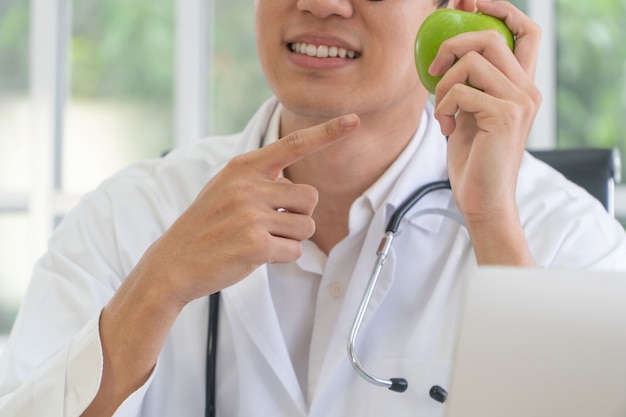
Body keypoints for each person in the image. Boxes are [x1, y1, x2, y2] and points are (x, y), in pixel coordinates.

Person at [1, 0, 625, 416]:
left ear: (455, 11)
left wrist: (493, 228)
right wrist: (158, 286)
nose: (323, 2)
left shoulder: (564, 233)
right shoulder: (129, 216)